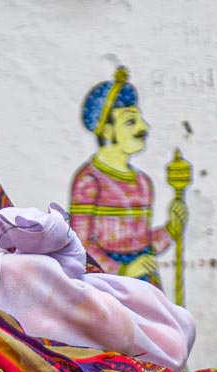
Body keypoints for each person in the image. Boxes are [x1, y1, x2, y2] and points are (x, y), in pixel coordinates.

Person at [69, 67, 184, 285]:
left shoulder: (142, 182)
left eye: (140, 119)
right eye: (130, 122)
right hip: (108, 285)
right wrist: (122, 270)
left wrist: (171, 229)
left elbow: (142, 243)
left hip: (145, 282)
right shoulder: (89, 181)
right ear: (107, 130)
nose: (144, 127)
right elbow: (80, 243)